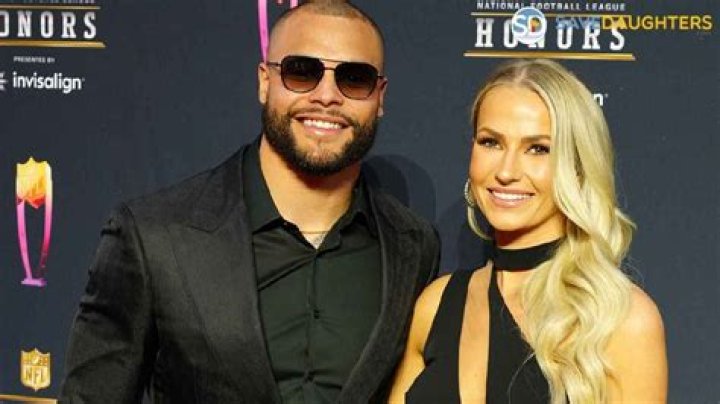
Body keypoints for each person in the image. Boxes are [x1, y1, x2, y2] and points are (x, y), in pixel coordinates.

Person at [59, 1, 440, 403]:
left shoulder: (413, 247)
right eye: (301, 72)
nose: (327, 96)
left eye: (355, 79)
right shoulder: (153, 236)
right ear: (264, 81)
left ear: (379, 97)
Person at [389, 59, 667, 404]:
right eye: (491, 142)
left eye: (538, 149)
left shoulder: (622, 320)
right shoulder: (436, 305)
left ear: (577, 166)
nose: (506, 171)